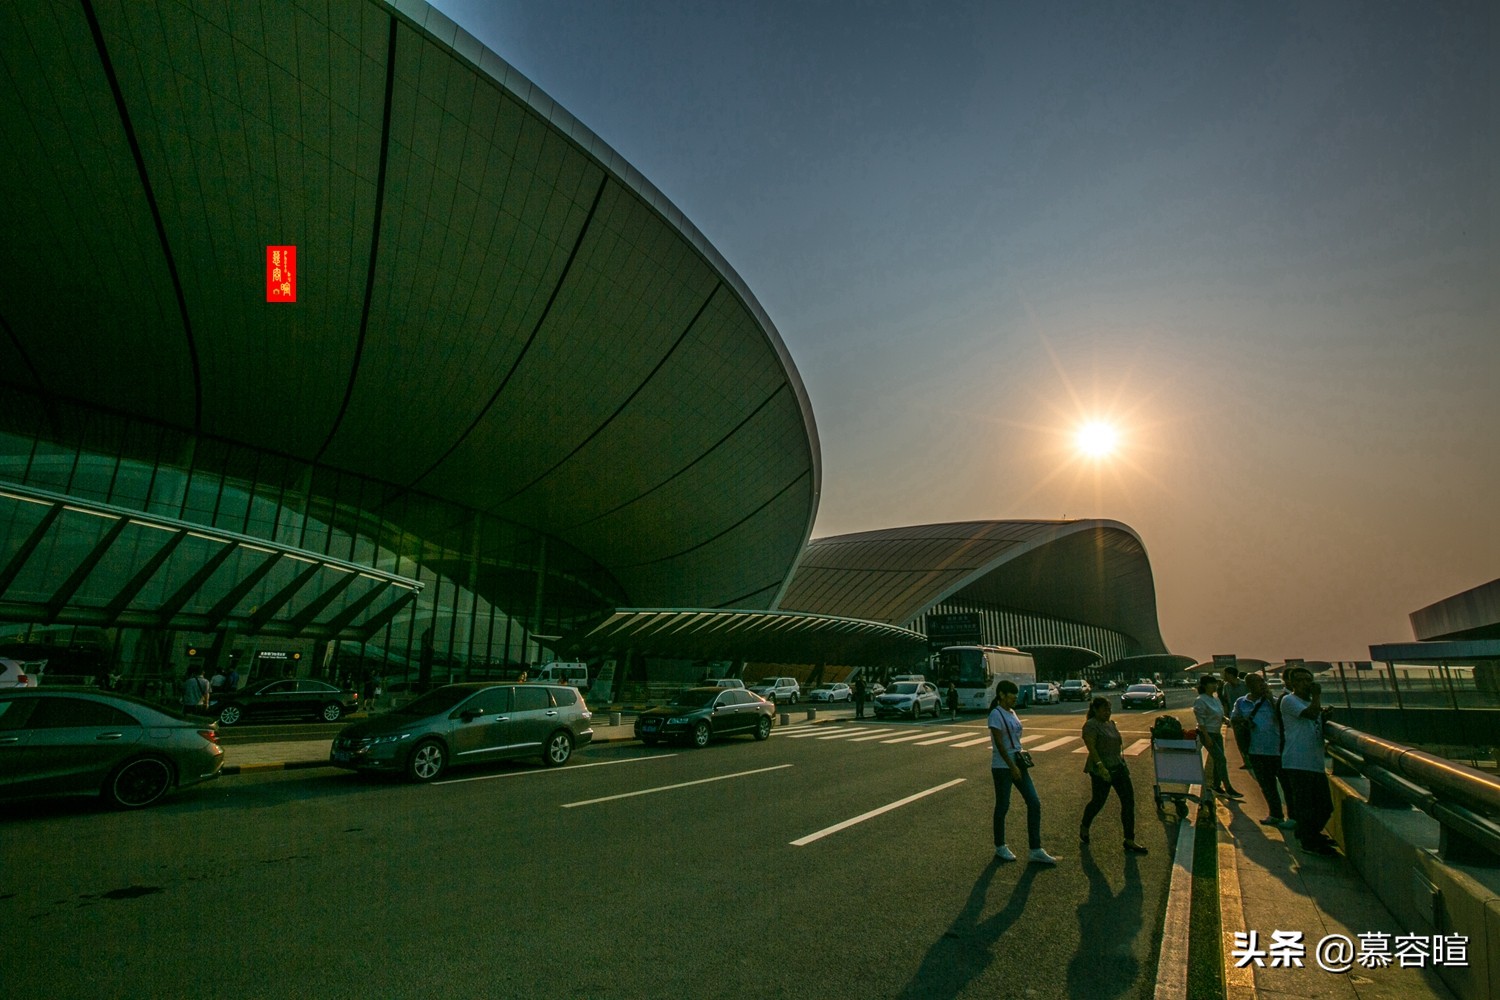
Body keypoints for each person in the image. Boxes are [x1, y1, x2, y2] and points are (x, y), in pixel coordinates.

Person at [988, 680, 1058, 865]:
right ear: (1002, 695)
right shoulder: (995, 714)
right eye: (1011, 695)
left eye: (1015, 695)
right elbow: (999, 744)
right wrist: (1012, 766)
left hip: (1018, 763)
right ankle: (1000, 846)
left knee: (1034, 802)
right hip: (1003, 767)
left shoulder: (1012, 712)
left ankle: (1035, 849)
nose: (1015, 698)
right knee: (1003, 805)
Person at [1079, 696, 1149, 853]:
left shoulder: (1111, 724)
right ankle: (1085, 825)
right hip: (1101, 769)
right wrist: (1101, 767)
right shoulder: (1090, 726)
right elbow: (1092, 748)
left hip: (1118, 767)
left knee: (1128, 801)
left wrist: (1122, 763)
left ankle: (1129, 839)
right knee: (1098, 802)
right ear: (1095, 710)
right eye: (1104, 710)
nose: (1108, 713)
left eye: (1109, 710)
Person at [1281, 667, 1337, 855]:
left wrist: (1324, 715)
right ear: (1292, 683)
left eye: (1308, 680)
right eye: (1300, 680)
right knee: (1306, 806)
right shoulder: (1289, 700)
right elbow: (1311, 714)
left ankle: (1310, 834)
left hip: (1314, 761)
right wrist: (1317, 697)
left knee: (1324, 806)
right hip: (1298, 760)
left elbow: (1315, 719)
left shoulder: (1309, 703)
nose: (1305, 684)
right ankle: (1308, 841)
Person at [1231, 672, 1295, 829]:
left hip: (1278, 750)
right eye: (1257, 682)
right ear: (1249, 685)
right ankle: (1275, 814)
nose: (1261, 685)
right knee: (1267, 786)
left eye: (1262, 682)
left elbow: (1281, 718)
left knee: (1287, 786)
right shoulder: (1241, 702)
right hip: (1256, 751)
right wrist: (1245, 721)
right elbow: (1234, 719)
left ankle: (1293, 816)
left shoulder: (1274, 701)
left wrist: (1269, 698)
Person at [1193, 676, 1242, 799]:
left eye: (1215, 683)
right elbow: (1201, 721)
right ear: (1204, 685)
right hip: (1207, 733)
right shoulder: (1200, 700)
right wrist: (1206, 737)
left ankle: (1216, 785)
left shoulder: (1215, 699)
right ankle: (1228, 788)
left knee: (1218, 760)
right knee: (1221, 759)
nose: (1214, 686)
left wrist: (1225, 719)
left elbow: (1220, 714)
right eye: (1211, 684)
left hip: (1217, 733)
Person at [1218, 667, 1250, 767]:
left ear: (1231, 675)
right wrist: (1227, 715)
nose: (1223, 676)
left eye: (1225, 674)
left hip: (1248, 716)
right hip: (1235, 717)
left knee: (1250, 739)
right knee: (1240, 740)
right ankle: (1246, 761)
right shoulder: (1226, 686)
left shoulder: (1245, 684)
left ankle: (1254, 759)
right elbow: (1225, 701)